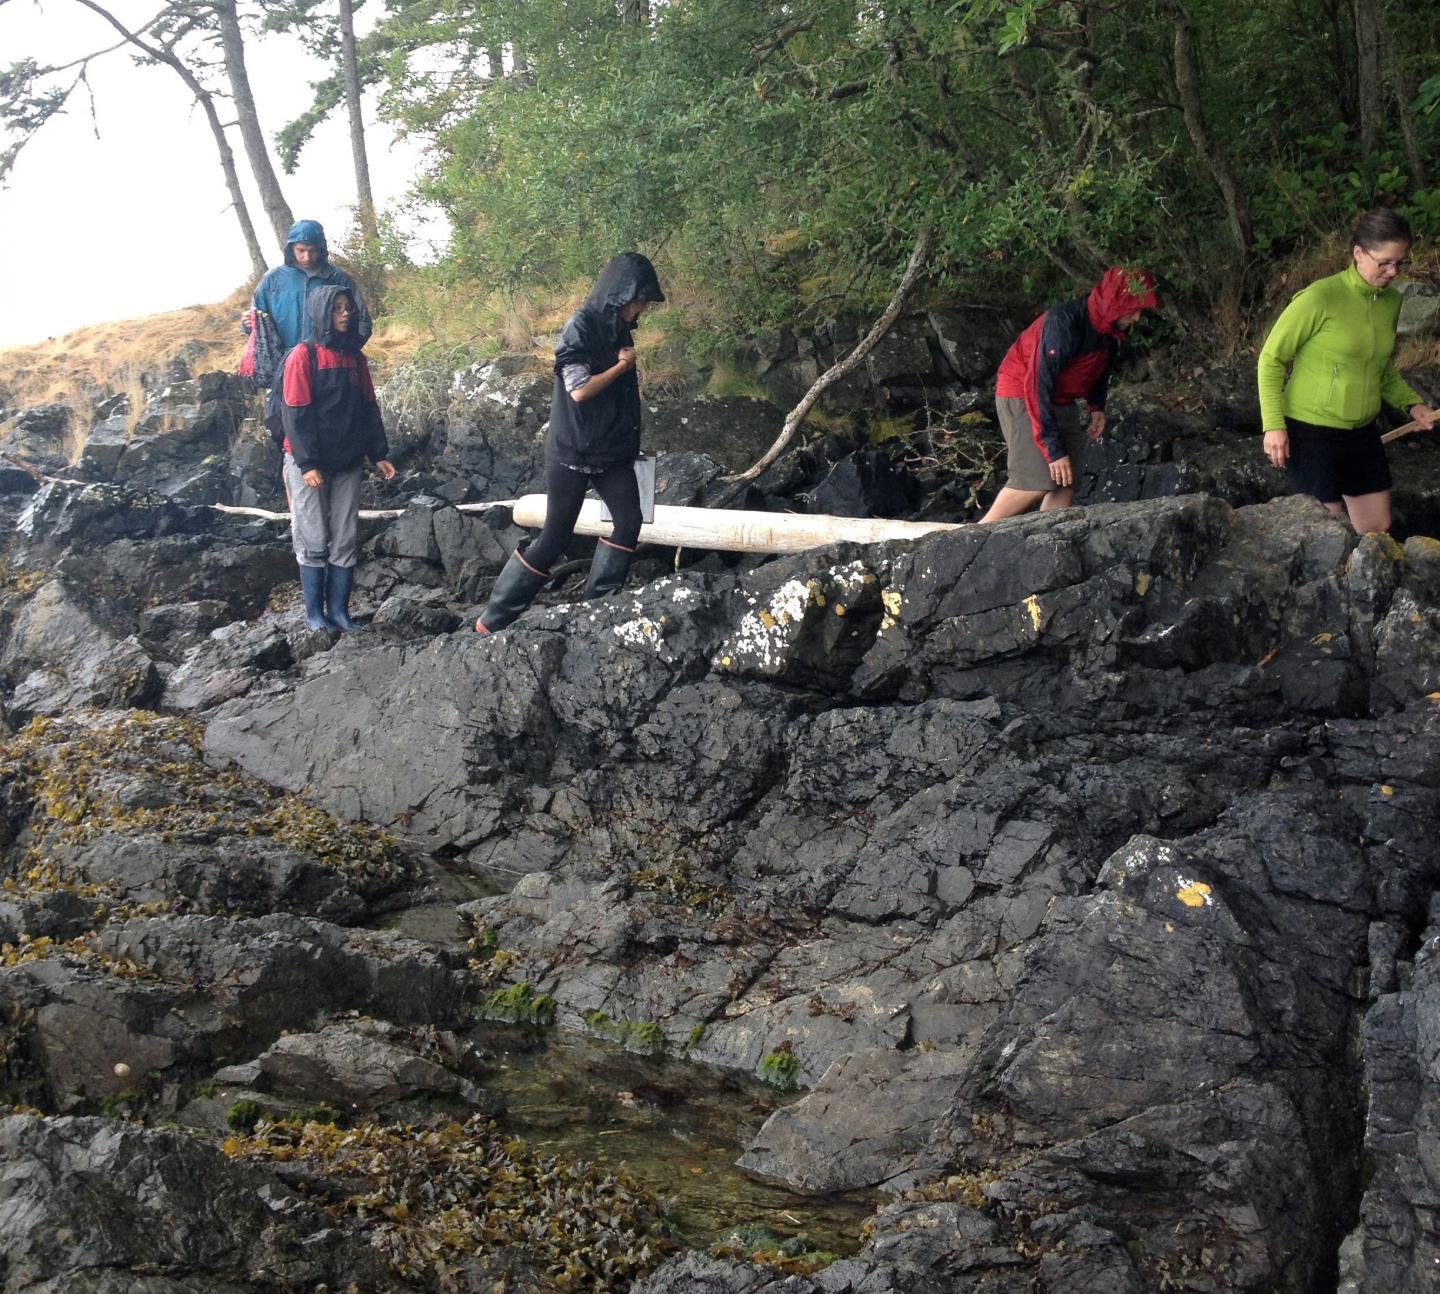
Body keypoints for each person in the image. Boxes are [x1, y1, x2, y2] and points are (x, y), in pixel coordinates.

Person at [475, 252, 666, 634]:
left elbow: (622, 400)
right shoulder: (580, 327)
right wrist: (621, 366)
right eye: (640, 298)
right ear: (621, 294)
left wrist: (633, 445)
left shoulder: (619, 328)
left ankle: (596, 613)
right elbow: (578, 391)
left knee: (628, 522)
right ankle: (490, 622)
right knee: (555, 537)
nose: (644, 305)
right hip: (572, 452)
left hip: (611, 453)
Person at [1258, 207, 1436, 533]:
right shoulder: (1320, 297)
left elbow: (1380, 368)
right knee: (1324, 529)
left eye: (1400, 262)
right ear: (1358, 254)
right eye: (1384, 262)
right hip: (1311, 429)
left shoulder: (1391, 303)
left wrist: (1413, 405)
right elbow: (1270, 359)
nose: (1393, 271)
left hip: (1363, 429)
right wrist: (1273, 426)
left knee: (1376, 527)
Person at [979, 266, 1158, 523]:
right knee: (1035, 482)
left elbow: (1101, 368)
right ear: (1115, 303)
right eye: (1133, 309)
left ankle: (1049, 541)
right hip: (1022, 393)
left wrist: (1096, 406)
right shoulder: (1064, 322)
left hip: (1060, 400)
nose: (1137, 318)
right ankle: (974, 535)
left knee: (1066, 481)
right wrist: (1052, 448)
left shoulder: (1109, 331)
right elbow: (1037, 384)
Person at [280, 284, 395, 632]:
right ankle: (315, 616)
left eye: (348, 308)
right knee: (313, 538)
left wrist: (379, 454)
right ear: (321, 314)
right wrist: (308, 464)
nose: (346, 313)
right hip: (308, 463)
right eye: (337, 308)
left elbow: (368, 408)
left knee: (344, 538)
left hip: (348, 461)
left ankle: (340, 614)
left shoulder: (355, 360)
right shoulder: (303, 355)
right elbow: (294, 414)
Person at [246, 219, 372, 427]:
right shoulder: (272, 280)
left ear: (322, 250)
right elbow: (256, 326)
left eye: (313, 251)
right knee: (286, 427)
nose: (306, 257)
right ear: (290, 248)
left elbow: (363, 323)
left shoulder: (338, 279)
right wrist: (248, 324)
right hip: (284, 371)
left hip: (328, 371)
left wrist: (343, 355)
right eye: (301, 250)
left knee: (333, 426)